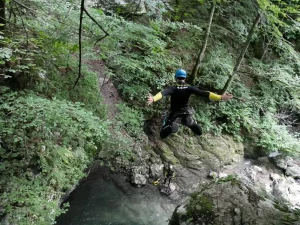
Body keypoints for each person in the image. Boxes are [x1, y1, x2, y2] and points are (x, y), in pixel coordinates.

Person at [147, 69, 233, 139]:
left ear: (176, 78)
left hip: (174, 113)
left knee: (162, 135)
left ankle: (171, 125)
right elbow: (205, 93)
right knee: (197, 131)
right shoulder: (190, 88)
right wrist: (220, 97)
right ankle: (191, 123)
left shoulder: (172, 88)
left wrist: (153, 98)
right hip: (185, 112)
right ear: (185, 78)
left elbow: (163, 93)